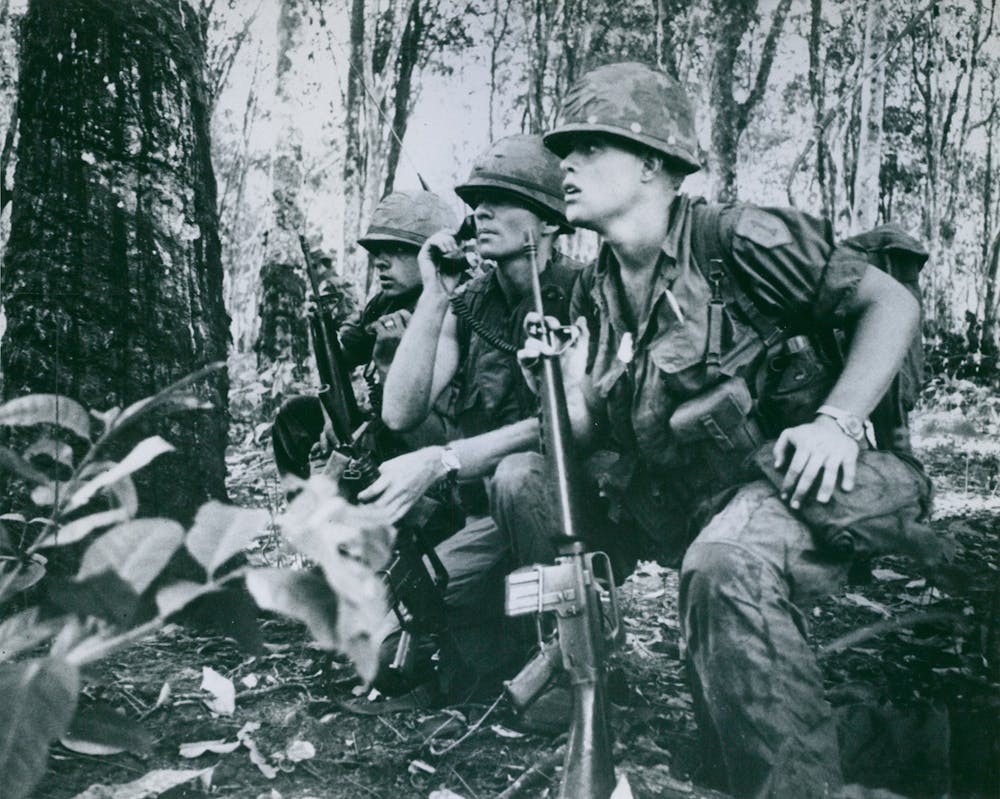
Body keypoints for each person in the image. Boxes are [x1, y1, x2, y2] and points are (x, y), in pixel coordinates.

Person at [515, 62, 942, 798]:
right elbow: (596, 440)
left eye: (590, 146)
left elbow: (891, 303)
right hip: (706, 508)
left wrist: (838, 421)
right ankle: (940, 743)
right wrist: (564, 392)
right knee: (734, 744)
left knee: (723, 563)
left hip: (832, 478)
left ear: (652, 162)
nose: (568, 164)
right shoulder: (597, 286)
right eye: (565, 150)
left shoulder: (738, 239)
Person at [359, 134, 583, 700]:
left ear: (551, 222)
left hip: (565, 514)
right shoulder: (474, 301)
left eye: (501, 200)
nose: (480, 211)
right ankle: (509, 640)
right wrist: (436, 294)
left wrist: (444, 460)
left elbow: (563, 424)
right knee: (390, 637)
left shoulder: (583, 292)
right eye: (476, 200)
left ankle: (576, 650)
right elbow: (400, 411)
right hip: (483, 518)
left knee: (515, 476)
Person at [271, 190, 459, 483]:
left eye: (397, 250)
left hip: (438, 440)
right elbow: (341, 362)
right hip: (384, 421)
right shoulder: (384, 302)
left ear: (433, 253)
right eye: (378, 252)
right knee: (295, 415)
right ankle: (305, 515)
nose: (381, 262)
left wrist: (391, 362)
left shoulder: (458, 304)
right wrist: (323, 332)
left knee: (366, 448)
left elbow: (432, 421)